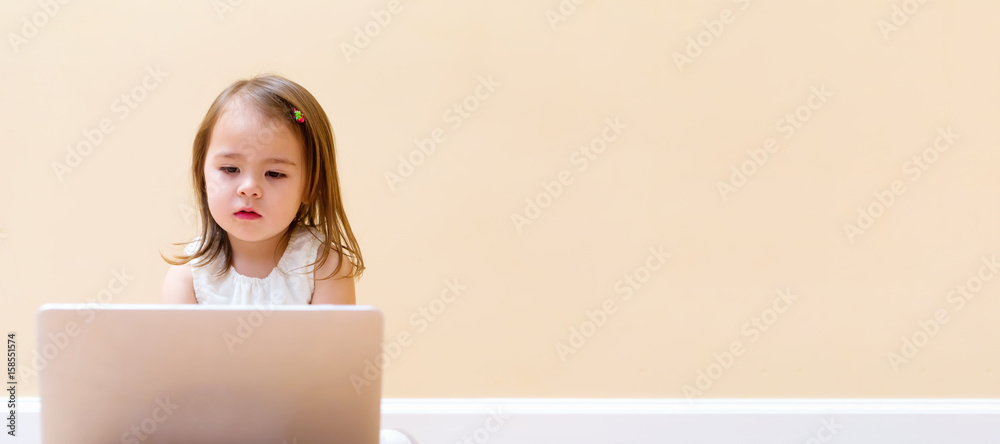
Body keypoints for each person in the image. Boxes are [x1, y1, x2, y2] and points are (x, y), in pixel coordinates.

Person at [159, 74, 415, 444]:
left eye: (275, 173)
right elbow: (174, 384)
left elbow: (335, 381)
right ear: (202, 174)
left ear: (309, 185)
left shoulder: (323, 266)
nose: (249, 187)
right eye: (229, 169)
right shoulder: (188, 275)